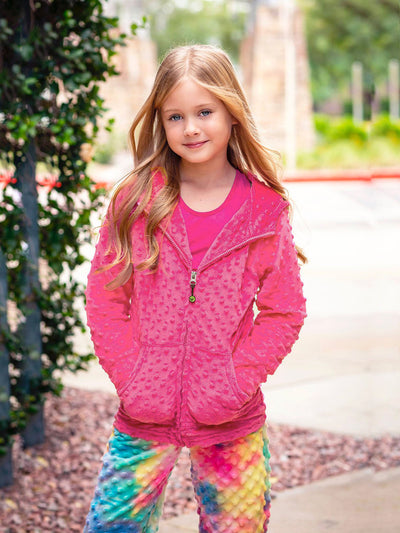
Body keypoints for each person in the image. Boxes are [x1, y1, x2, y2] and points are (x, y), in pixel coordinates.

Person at [83, 44, 307, 533]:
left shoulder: (264, 211)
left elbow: (284, 310)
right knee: (113, 527)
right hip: (144, 414)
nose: (190, 128)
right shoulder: (135, 202)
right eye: (175, 116)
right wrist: (132, 378)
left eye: (205, 112)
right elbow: (105, 297)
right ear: (161, 122)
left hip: (231, 418)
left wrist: (234, 381)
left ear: (232, 112)